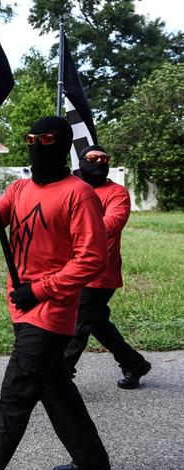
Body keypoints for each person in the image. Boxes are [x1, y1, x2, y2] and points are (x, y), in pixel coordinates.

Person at [0, 116, 112, 470]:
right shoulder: (20, 189)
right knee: (54, 385)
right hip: (22, 305)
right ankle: (89, 457)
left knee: (15, 396)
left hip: (52, 311)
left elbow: (92, 259)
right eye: (30, 138)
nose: (35, 145)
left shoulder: (79, 193)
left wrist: (40, 289)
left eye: (45, 139)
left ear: (60, 144)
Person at [64, 145, 151, 389]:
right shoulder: (71, 187)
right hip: (70, 270)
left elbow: (109, 224)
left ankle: (60, 378)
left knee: (78, 324)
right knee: (97, 324)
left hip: (100, 274)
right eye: (93, 158)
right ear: (82, 161)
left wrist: (69, 228)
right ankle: (134, 363)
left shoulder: (117, 193)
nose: (100, 161)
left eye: (105, 158)